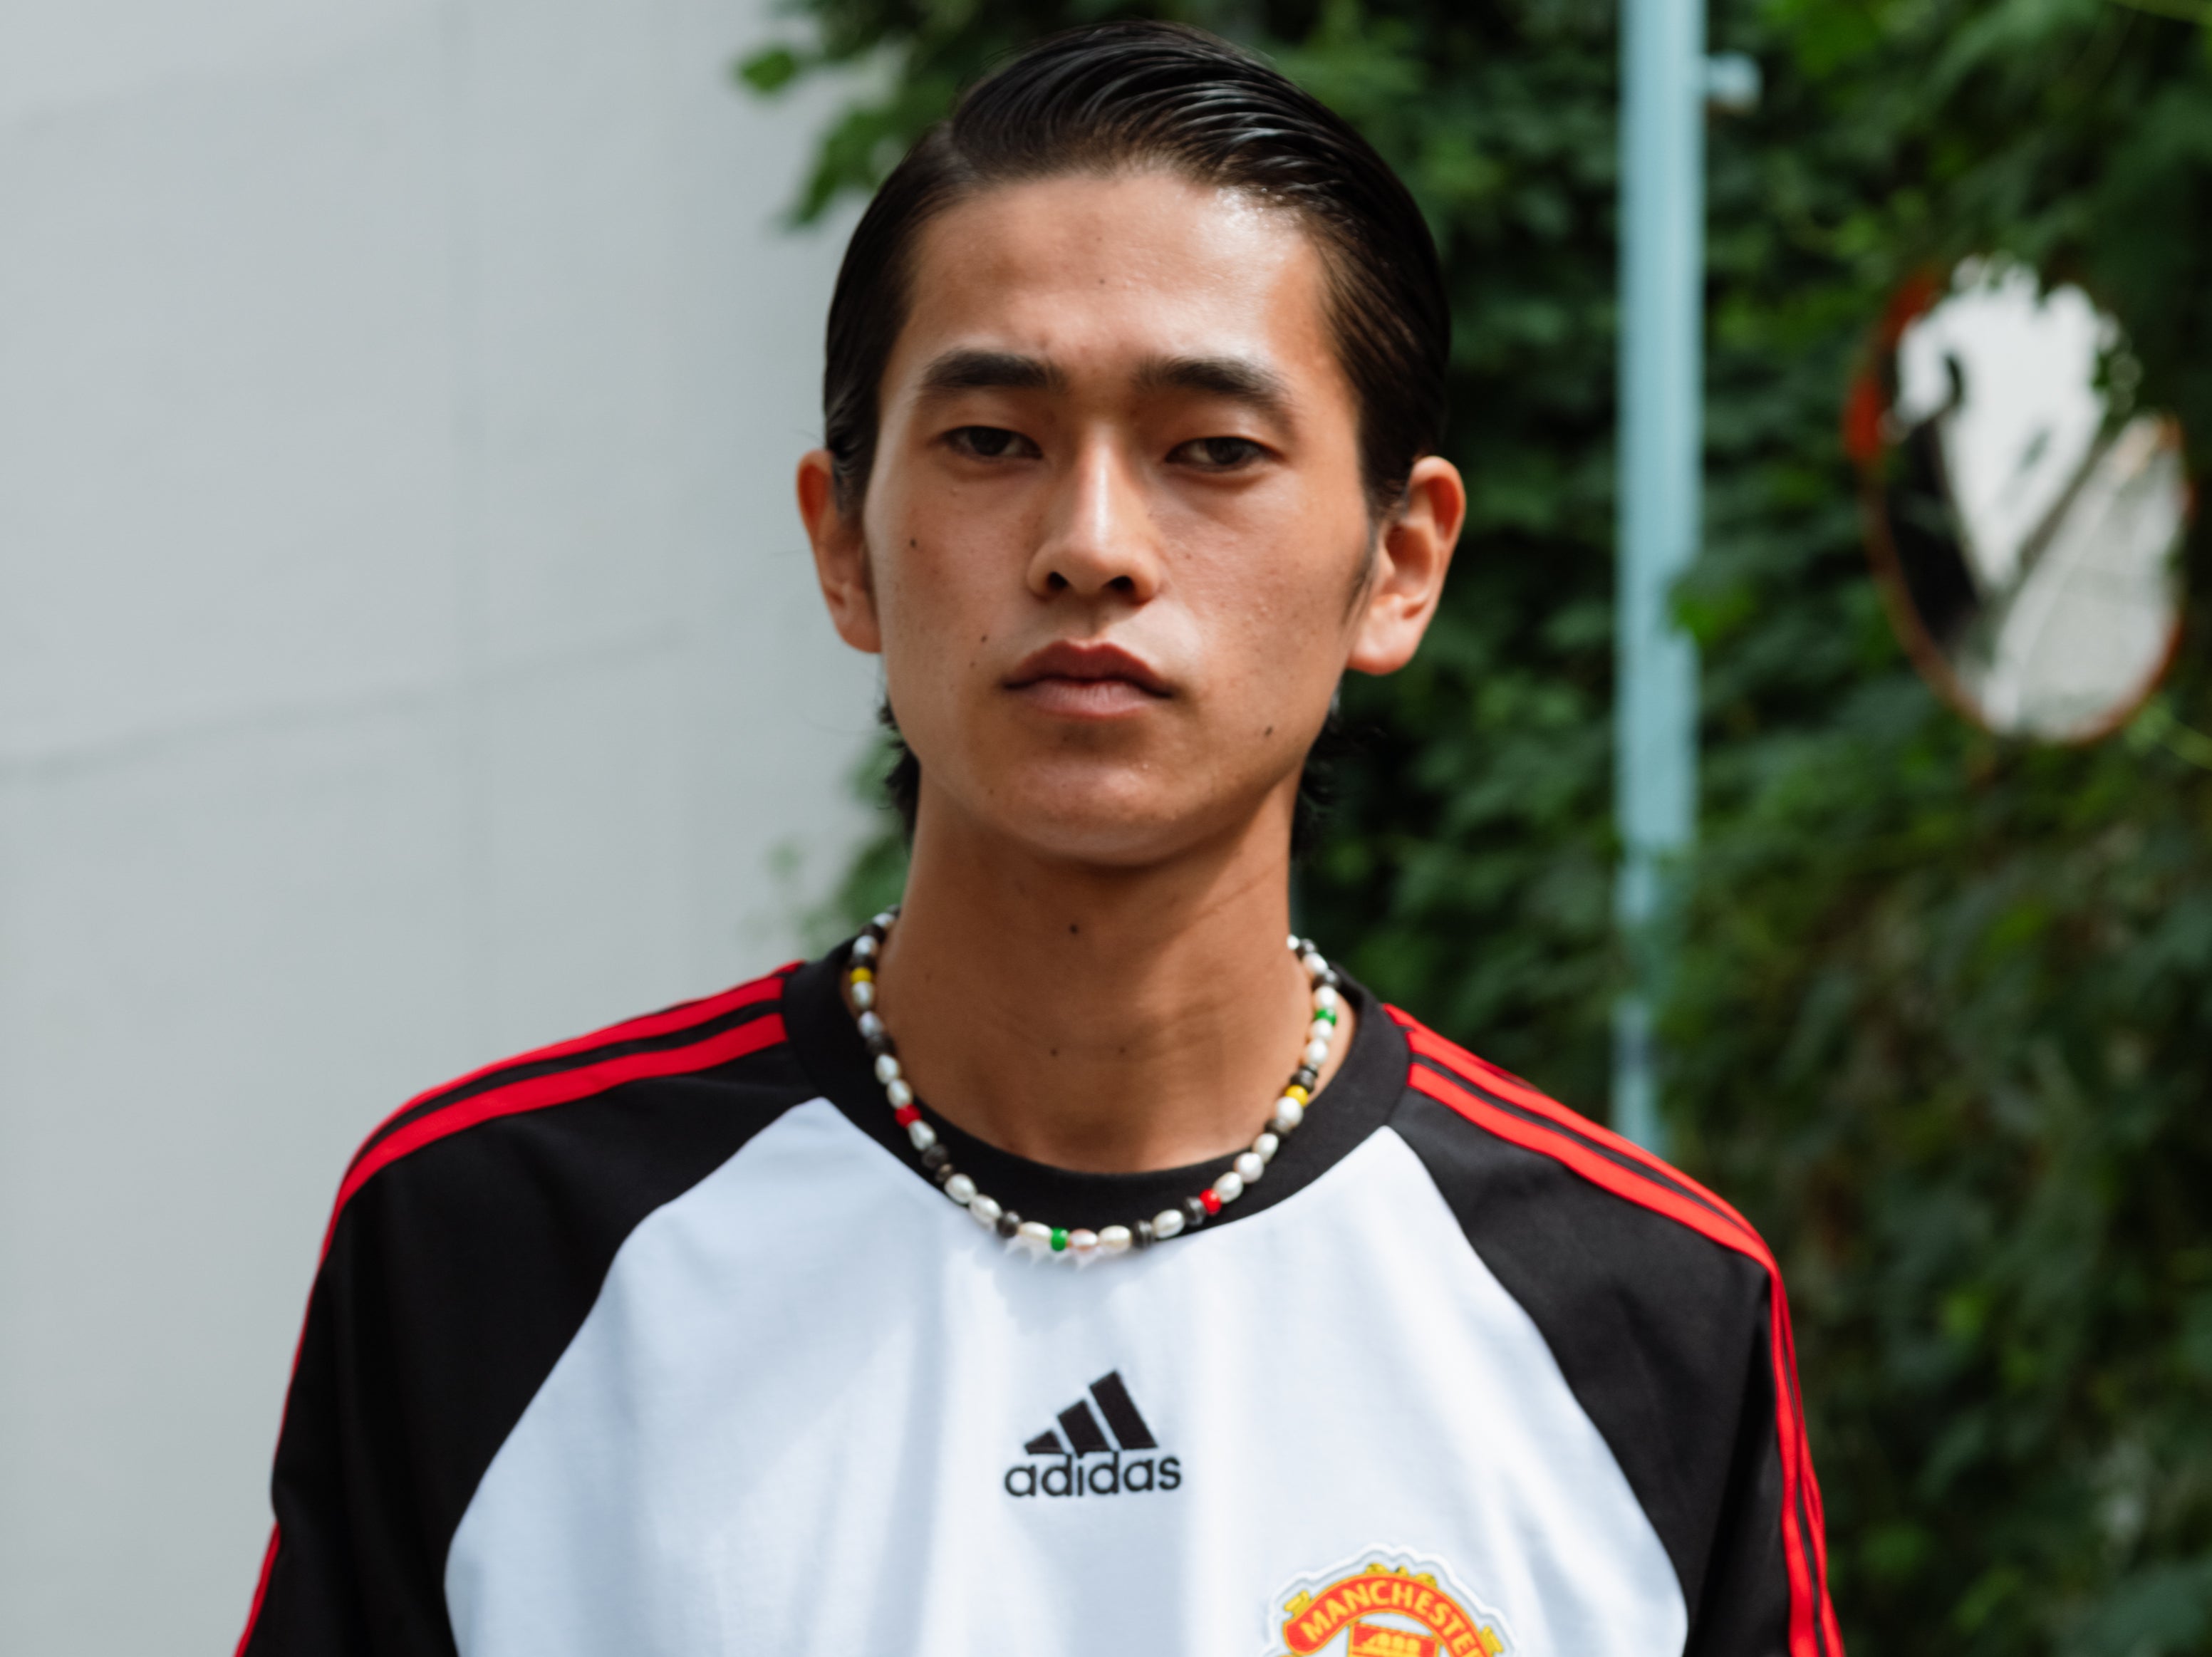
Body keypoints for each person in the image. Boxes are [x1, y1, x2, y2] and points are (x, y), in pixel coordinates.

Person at [235, 21, 1840, 1657]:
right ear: (843, 545)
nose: (1090, 545)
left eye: (1211, 449)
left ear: (1399, 560)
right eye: (992, 442)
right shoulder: (490, 1248)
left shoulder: (1643, 1308)